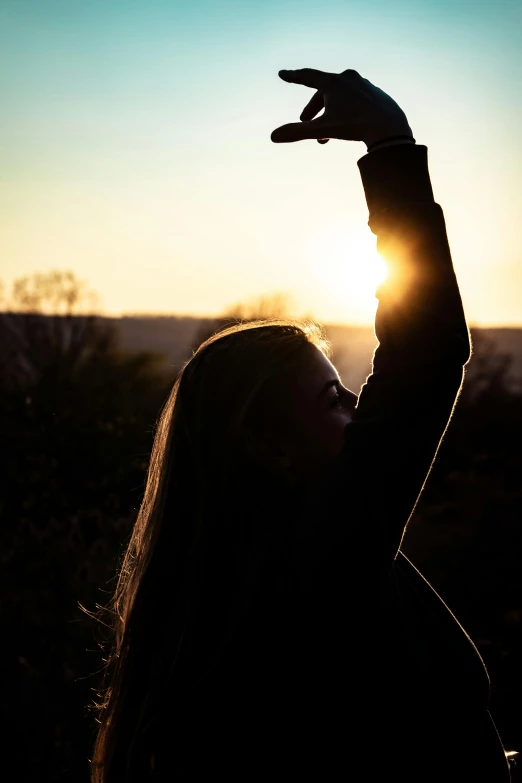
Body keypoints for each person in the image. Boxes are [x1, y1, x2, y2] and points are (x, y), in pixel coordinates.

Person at [88, 68, 512, 782]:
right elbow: (423, 359)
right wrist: (388, 142)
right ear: (265, 444)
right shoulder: (319, 557)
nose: (357, 409)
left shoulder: (234, 585)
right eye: (331, 400)